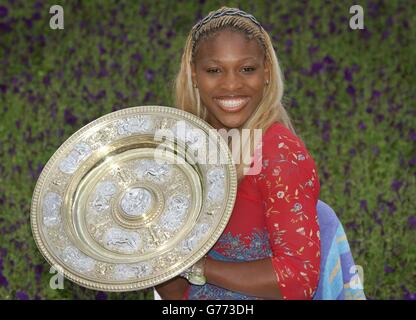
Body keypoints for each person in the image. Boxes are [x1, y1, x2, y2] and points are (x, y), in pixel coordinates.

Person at [155, 6, 321, 300]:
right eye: (214, 70)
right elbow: (176, 292)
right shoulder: (183, 148)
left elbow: (299, 278)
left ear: (266, 71)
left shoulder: (279, 155)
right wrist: (148, 251)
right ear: (194, 75)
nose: (231, 85)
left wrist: (196, 265)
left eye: (247, 69)